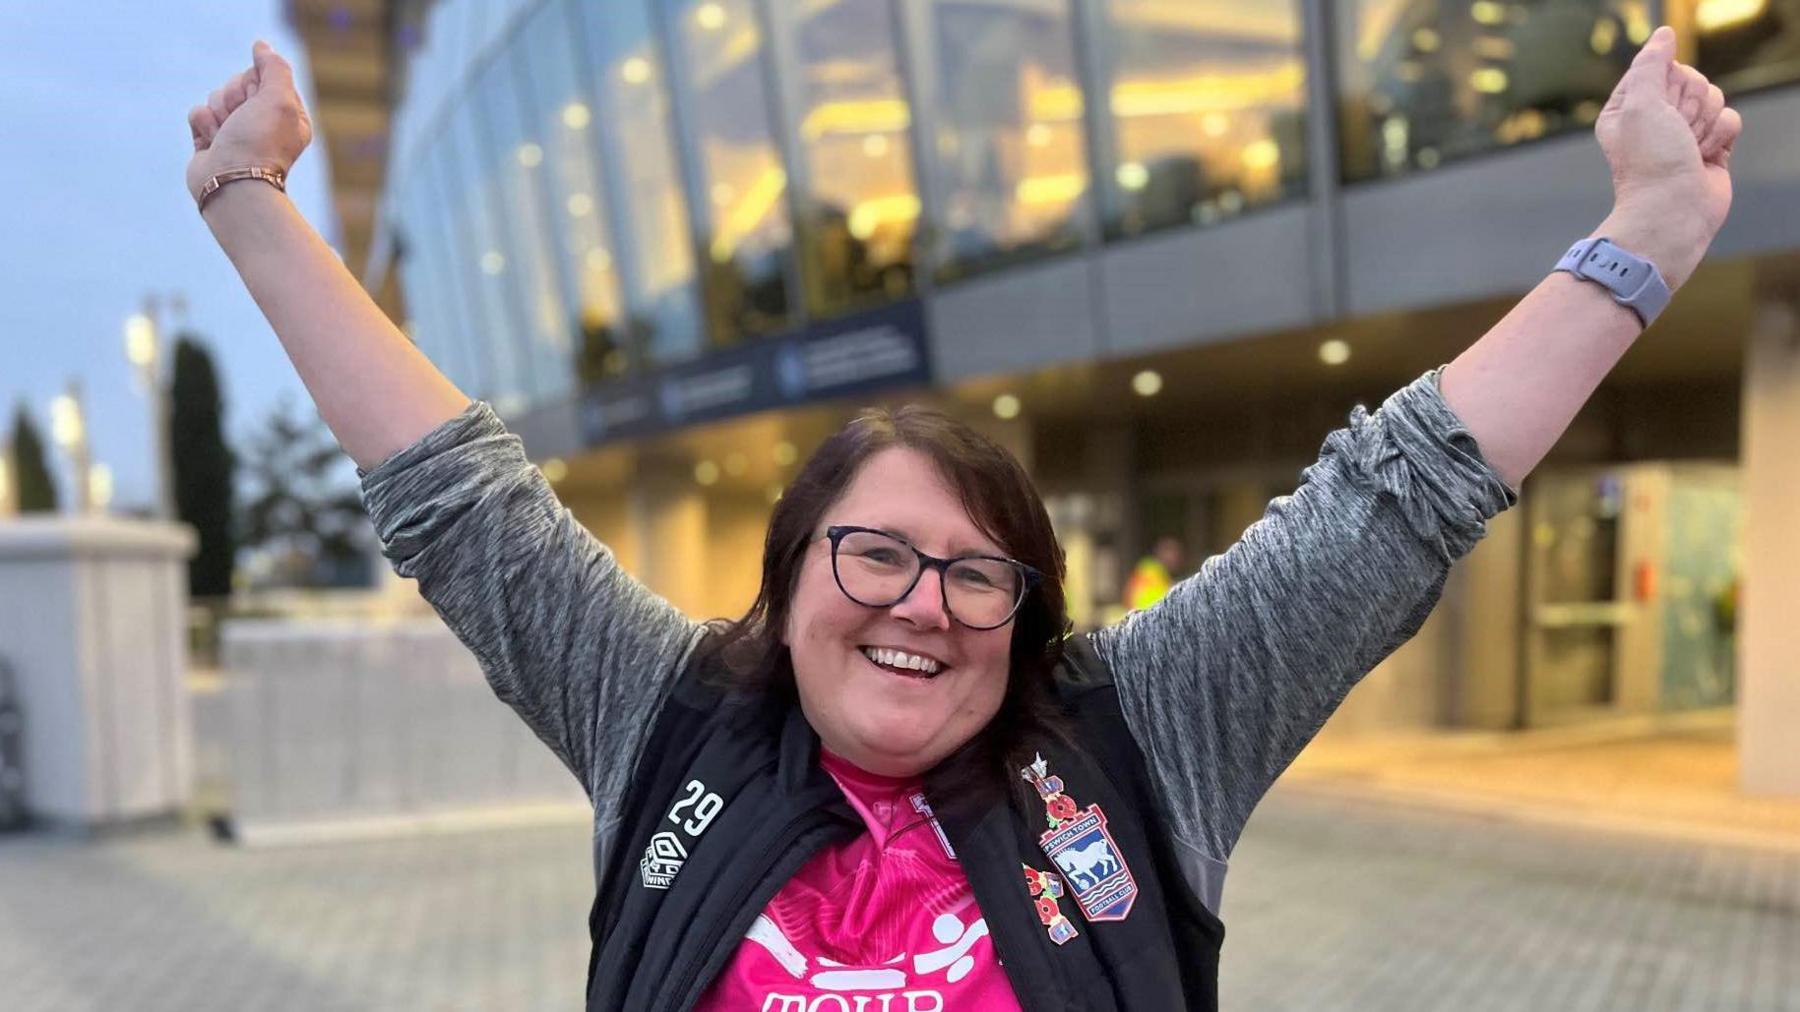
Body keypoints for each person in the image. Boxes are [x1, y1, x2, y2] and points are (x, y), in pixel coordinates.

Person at [188, 29, 1741, 1011]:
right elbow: (460, 500)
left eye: (976, 573)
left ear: (1025, 607)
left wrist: (1650, 234)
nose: (922, 604)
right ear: (791, 580)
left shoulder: (1148, 733)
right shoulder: (664, 719)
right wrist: (251, 200)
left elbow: (1390, 501)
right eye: (875, 553)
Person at [1123, 535, 1183, 612]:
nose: (1175, 557)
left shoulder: (1158, 571)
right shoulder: (1150, 569)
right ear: (1161, 552)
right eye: (1172, 552)